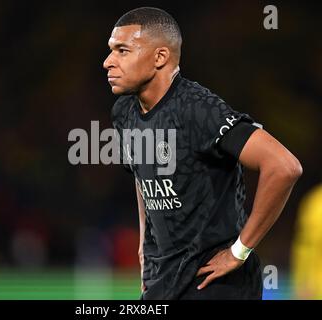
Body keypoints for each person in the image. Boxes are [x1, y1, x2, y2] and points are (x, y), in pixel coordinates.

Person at [103, 7, 302, 300]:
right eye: (110, 51)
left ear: (159, 57)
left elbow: (284, 166)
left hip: (215, 282)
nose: (108, 62)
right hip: (165, 278)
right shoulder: (124, 112)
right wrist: (145, 247)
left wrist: (239, 251)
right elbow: (142, 174)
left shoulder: (197, 109)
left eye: (122, 50)